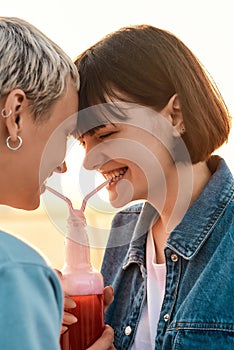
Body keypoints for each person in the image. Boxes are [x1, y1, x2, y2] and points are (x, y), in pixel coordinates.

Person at [74, 24, 234, 349]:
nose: (89, 162)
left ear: (175, 115)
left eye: (105, 134)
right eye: (83, 142)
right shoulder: (125, 229)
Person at [0, 17, 114, 350]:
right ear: (16, 114)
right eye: (64, 133)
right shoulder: (15, 271)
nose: (63, 165)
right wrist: (26, 286)